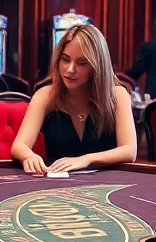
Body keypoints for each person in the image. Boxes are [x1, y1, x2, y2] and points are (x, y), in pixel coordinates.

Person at [11, 24, 136, 174]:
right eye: (65, 59)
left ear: (97, 66)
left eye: (81, 63)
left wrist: (86, 159)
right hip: (56, 185)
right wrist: (29, 156)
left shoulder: (118, 95)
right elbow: (19, 145)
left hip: (106, 185)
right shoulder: (45, 95)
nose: (70, 69)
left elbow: (129, 151)